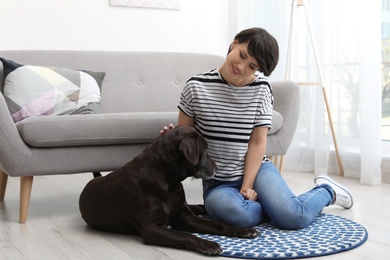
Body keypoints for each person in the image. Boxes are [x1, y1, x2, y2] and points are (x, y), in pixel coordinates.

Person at [161, 27, 353, 230]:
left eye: (252, 66)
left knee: (293, 217)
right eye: (241, 55)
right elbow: (187, 137)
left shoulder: (261, 89)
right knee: (229, 212)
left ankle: (326, 191)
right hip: (218, 182)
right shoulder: (195, 86)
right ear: (234, 43)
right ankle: (275, 208)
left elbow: (257, 142)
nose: (241, 67)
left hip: (258, 171)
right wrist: (172, 140)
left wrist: (247, 185)